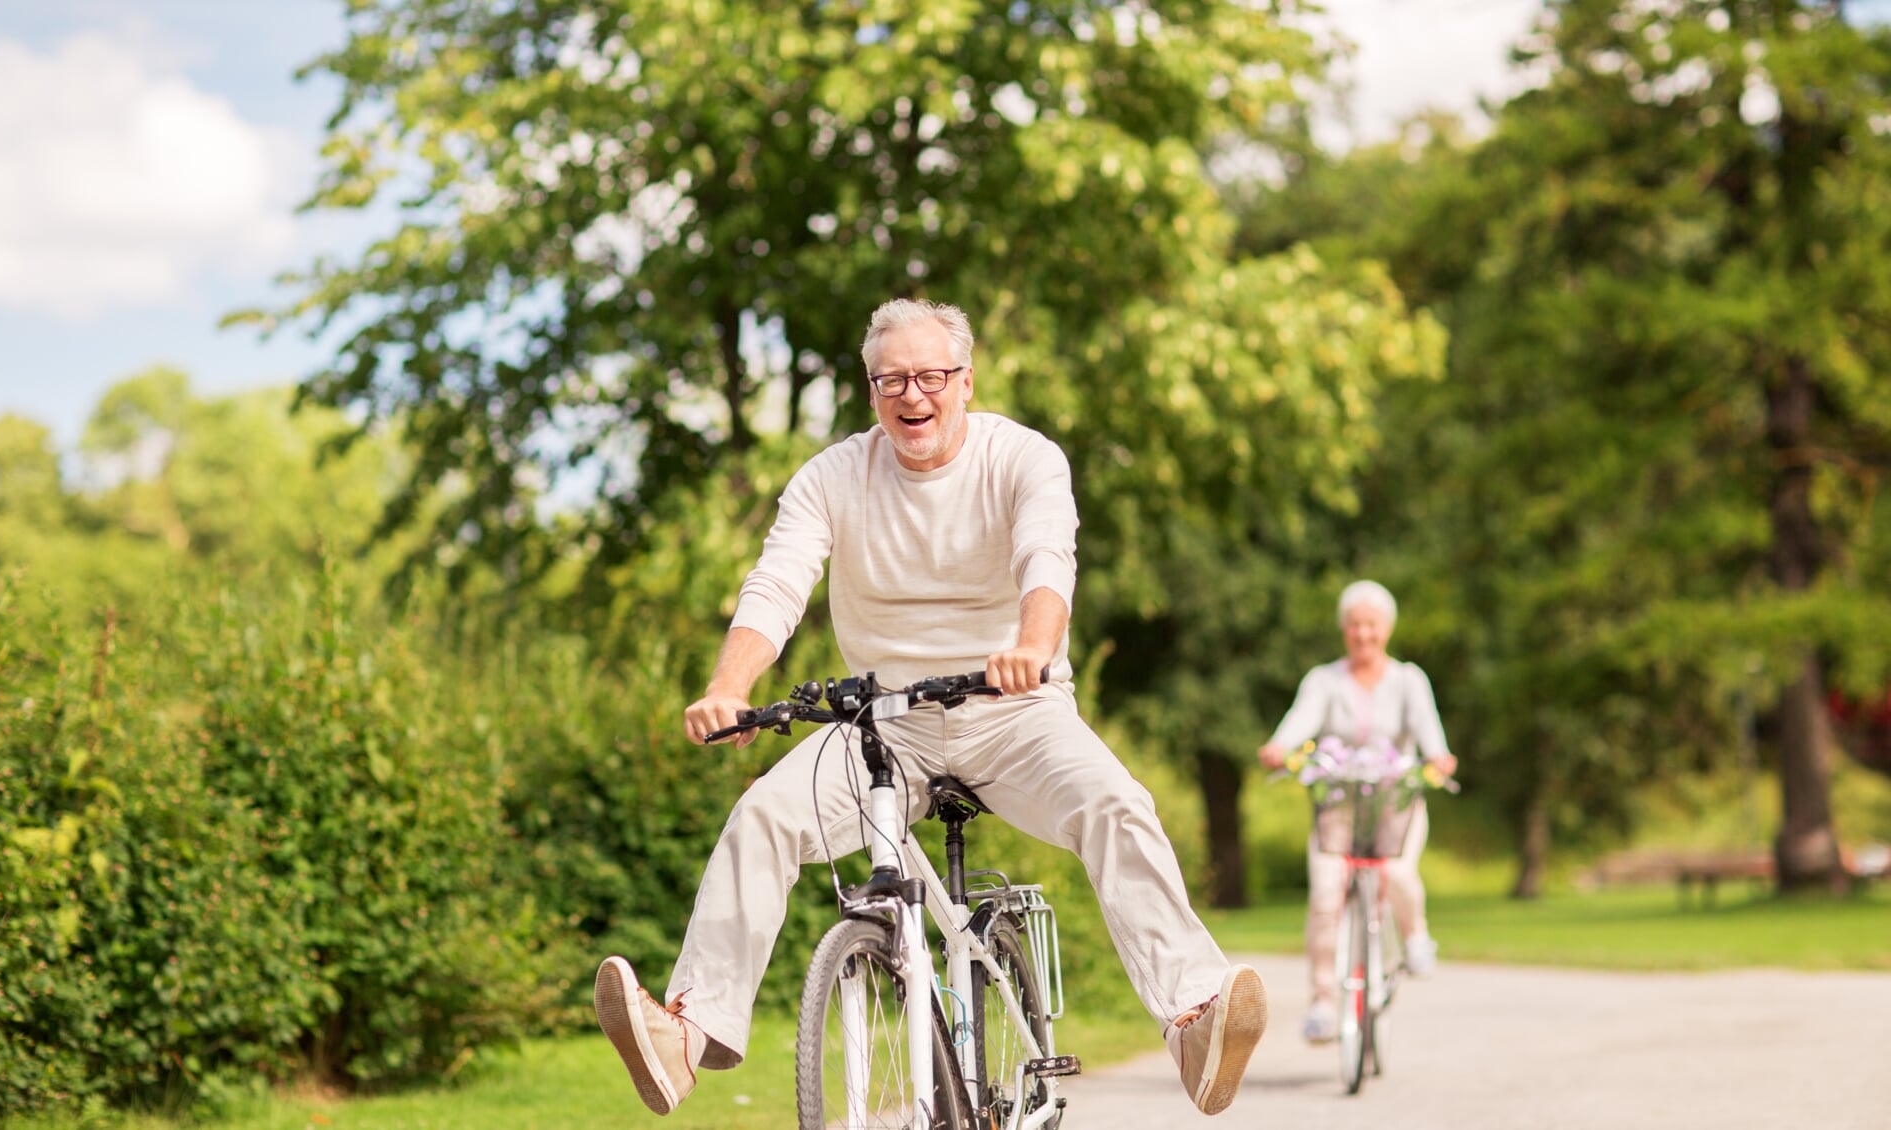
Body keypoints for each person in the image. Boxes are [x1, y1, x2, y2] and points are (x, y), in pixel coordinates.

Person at [592, 298, 1268, 1117]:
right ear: (872, 390)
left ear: (965, 381)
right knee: (762, 817)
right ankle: (685, 1037)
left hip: (1015, 711)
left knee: (1116, 804)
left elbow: (1047, 559)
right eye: (892, 381)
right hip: (884, 724)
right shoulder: (833, 475)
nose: (913, 396)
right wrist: (727, 688)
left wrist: (1032, 645)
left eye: (931, 376)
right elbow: (777, 583)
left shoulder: (1022, 458)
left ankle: (1194, 1020)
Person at [1256, 580, 1457, 1045]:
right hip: (1339, 805)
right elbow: (1299, 721)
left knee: (1398, 873)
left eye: (1371, 625)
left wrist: (1439, 758)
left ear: (1386, 629)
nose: (1363, 634)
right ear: (1344, 630)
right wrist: (1279, 747)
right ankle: (1323, 1003)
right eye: (1354, 626)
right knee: (1326, 895)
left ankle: (1415, 937)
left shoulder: (1409, 679)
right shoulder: (1324, 680)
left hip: (1396, 803)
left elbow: (1431, 735)